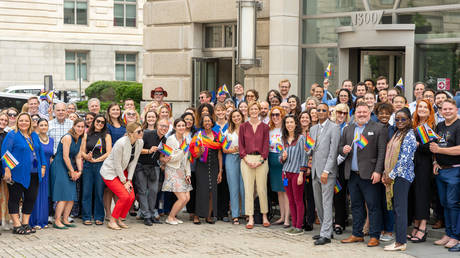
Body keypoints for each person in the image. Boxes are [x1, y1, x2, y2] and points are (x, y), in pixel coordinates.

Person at [340, 102, 387, 247]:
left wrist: (378, 171)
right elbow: (340, 147)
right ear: (355, 113)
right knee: (356, 205)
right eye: (358, 112)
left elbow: (381, 153)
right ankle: (357, 234)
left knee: (373, 206)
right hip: (353, 175)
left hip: (370, 174)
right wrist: (344, 149)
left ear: (370, 112)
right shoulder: (349, 129)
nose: (361, 114)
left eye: (364, 112)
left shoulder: (379, 128)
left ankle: (374, 236)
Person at [2, 113, 46, 234]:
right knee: (15, 198)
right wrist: (6, 169)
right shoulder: (12, 135)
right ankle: (16, 225)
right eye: (21, 120)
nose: (24, 123)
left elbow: (40, 151)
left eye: (26, 121)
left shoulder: (34, 135)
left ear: (30, 122)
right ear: (17, 121)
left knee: (31, 198)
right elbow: (5, 152)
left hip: (34, 172)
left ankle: (25, 223)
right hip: (17, 173)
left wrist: (43, 166)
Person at [382, 108, 417, 251]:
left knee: (400, 209)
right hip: (395, 176)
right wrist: (386, 172)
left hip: (402, 177)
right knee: (397, 209)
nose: (400, 122)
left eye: (403, 119)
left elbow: (405, 160)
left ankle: (401, 242)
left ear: (409, 120)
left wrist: (391, 175)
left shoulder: (409, 135)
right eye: (397, 119)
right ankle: (399, 241)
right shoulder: (397, 133)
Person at [100, 122, 143, 230]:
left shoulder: (140, 142)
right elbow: (117, 164)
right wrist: (124, 182)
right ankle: (112, 220)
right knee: (124, 196)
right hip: (110, 172)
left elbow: (133, 163)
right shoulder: (121, 143)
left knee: (131, 197)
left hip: (123, 172)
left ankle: (120, 218)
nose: (141, 133)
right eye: (139, 131)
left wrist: (129, 180)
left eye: (141, 130)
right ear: (130, 133)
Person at [308, 103, 340, 244]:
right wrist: (307, 146)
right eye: (318, 110)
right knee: (318, 203)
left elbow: (333, 153)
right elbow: (309, 150)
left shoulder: (334, 127)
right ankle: (325, 229)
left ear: (328, 112)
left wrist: (326, 171)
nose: (320, 112)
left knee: (327, 202)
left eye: (323, 110)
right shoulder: (313, 128)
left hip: (327, 172)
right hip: (315, 170)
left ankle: (326, 235)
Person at [430, 99, 460, 248]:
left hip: (455, 170)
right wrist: (435, 161)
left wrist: (439, 151)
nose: (447, 111)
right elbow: (435, 145)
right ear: (441, 111)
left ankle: (455, 236)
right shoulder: (440, 125)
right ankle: (448, 233)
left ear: (456, 109)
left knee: (453, 203)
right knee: (444, 204)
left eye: (450, 109)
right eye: (444, 109)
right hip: (441, 170)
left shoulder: (459, 125)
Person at [238, 101, 270, 229]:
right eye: (252, 109)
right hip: (247, 160)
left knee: (262, 189)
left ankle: (264, 215)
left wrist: (261, 160)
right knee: (249, 189)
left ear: (259, 111)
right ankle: (250, 217)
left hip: (261, 159)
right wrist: (246, 159)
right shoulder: (243, 127)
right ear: (248, 111)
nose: (254, 111)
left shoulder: (265, 127)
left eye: (256, 109)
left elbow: (266, 145)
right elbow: (241, 145)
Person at [408, 99, 435, 243]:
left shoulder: (431, 126)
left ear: (430, 110)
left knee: (422, 195)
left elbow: (432, 148)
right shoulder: (414, 125)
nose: (422, 109)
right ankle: (416, 224)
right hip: (412, 165)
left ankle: (423, 227)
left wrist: (419, 144)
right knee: (414, 195)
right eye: (420, 107)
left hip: (424, 165)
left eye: (425, 107)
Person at [50, 118, 84, 230]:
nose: (80, 128)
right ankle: (57, 220)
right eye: (78, 126)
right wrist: (72, 171)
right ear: (73, 126)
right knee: (63, 195)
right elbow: (65, 156)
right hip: (60, 165)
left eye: (82, 127)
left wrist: (79, 171)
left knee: (71, 195)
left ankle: (65, 219)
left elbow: (78, 157)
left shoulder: (80, 139)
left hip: (70, 166)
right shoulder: (68, 137)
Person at [134, 119, 169, 225]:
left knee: (154, 191)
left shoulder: (164, 139)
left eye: (166, 127)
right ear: (157, 125)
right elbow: (136, 149)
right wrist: (149, 151)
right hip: (141, 166)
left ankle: (152, 214)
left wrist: (165, 160)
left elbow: (161, 157)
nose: (164, 128)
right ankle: (146, 216)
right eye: (162, 126)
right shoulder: (147, 134)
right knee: (143, 191)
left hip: (154, 167)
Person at [190, 115, 223, 224]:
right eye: (205, 121)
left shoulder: (217, 135)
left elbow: (219, 153)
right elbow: (194, 155)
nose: (207, 123)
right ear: (202, 123)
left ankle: (208, 216)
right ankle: (197, 215)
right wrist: (200, 151)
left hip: (214, 166)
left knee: (212, 192)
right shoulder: (198, 135)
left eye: (209, 121)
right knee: (201, 191)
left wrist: (220, 170)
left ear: (212, 123)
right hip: (201, 166)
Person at [80, 115, 112, 226]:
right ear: (94, 122)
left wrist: (97, 159)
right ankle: (86, 216)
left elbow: (108, 152)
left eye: (102, 122)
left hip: (101, 165)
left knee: (99, 192)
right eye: (98, 121)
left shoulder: (107, 136)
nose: (100, 123)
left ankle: (99, 216)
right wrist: (87, 157)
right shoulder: (86, 134)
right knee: (87, 192)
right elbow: (82, 151)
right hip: (88, 165)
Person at [280, 114, 308, 236]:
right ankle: (293, 225)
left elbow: (304, 157)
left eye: (291, 122)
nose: (289, 125)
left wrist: (302, 174)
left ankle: (299, 226)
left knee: (298, 200)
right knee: (291, 200)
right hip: (286, 174)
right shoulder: (283, 139)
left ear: (296, 124)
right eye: (287, 123)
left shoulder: (301, 138)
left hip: (297, 173)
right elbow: (279, 158)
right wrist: (282, 157)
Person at [162, 118, 192, 225]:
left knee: (187, 198)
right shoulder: (170, 139)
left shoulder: (186, 139)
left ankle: (173, 216)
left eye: (183, 125)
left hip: (183, 170)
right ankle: (169, 217)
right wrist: (182, 151)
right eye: (179, 125)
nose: (181, 127)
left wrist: (188, 173)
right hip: (172, 170)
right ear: (174, 127)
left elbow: (187, 158)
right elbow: (170, 158)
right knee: (182, 197)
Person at [29, 119, 54, 229]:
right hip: (37, 168)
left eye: (45, 125)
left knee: (45, 194)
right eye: (41, 125)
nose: (44, 127)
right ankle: (35, 221)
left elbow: (52, 154)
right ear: (38, 126)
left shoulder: (52, 140)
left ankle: (43, 220)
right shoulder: (34, 138)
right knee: (36, 193)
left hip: (48, 170)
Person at [268, 106, 289, 227]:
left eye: (278, 115)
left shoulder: (285, 129)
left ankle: (287, 218)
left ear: (282, 115)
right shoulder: (269, 129)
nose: (275, 117)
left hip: (284, 161)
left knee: (286, 190)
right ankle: (281, 216)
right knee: (279, 191)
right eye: (273, 115)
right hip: (272, 160)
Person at [223, 109, 245, 225]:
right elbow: (224, 149)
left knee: (244, 186)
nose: (236, 118)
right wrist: (234, 149)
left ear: (241, 116)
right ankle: (235, 214)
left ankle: (246, 212)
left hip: (244, 159)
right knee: (233, 187)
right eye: (234, 116)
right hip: (232, 159)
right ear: (231, 119)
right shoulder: (228, 132)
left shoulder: (247, 129)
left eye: (238, 116)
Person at [331, 104, 350, 235]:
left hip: (342, 166)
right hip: (329, 165)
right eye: (339, 112)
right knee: (333, 194)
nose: (341, 115)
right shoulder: (330, 126)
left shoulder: (348, 128)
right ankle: (335, 220)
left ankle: (339, 222)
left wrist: (335, 161)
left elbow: (347, 149)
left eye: (344, 113)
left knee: (340, 194)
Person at [212, 103, 230, 222]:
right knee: (215, 187)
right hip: (215, 158)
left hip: (228, 158)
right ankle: (214, 212)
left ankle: (224, 213)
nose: (220, 113)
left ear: (225, 111)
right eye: (218, 110)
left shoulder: (230, 125)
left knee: (225, 187)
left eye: (222, 110)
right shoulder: (213, 126)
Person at [0, 113, 10, 229]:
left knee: (4, 196)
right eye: (1, 119)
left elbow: (8, 153)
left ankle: (4, 220)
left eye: (5, 120)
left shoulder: (8, 135)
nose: (3, 122)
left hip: (4, 168)